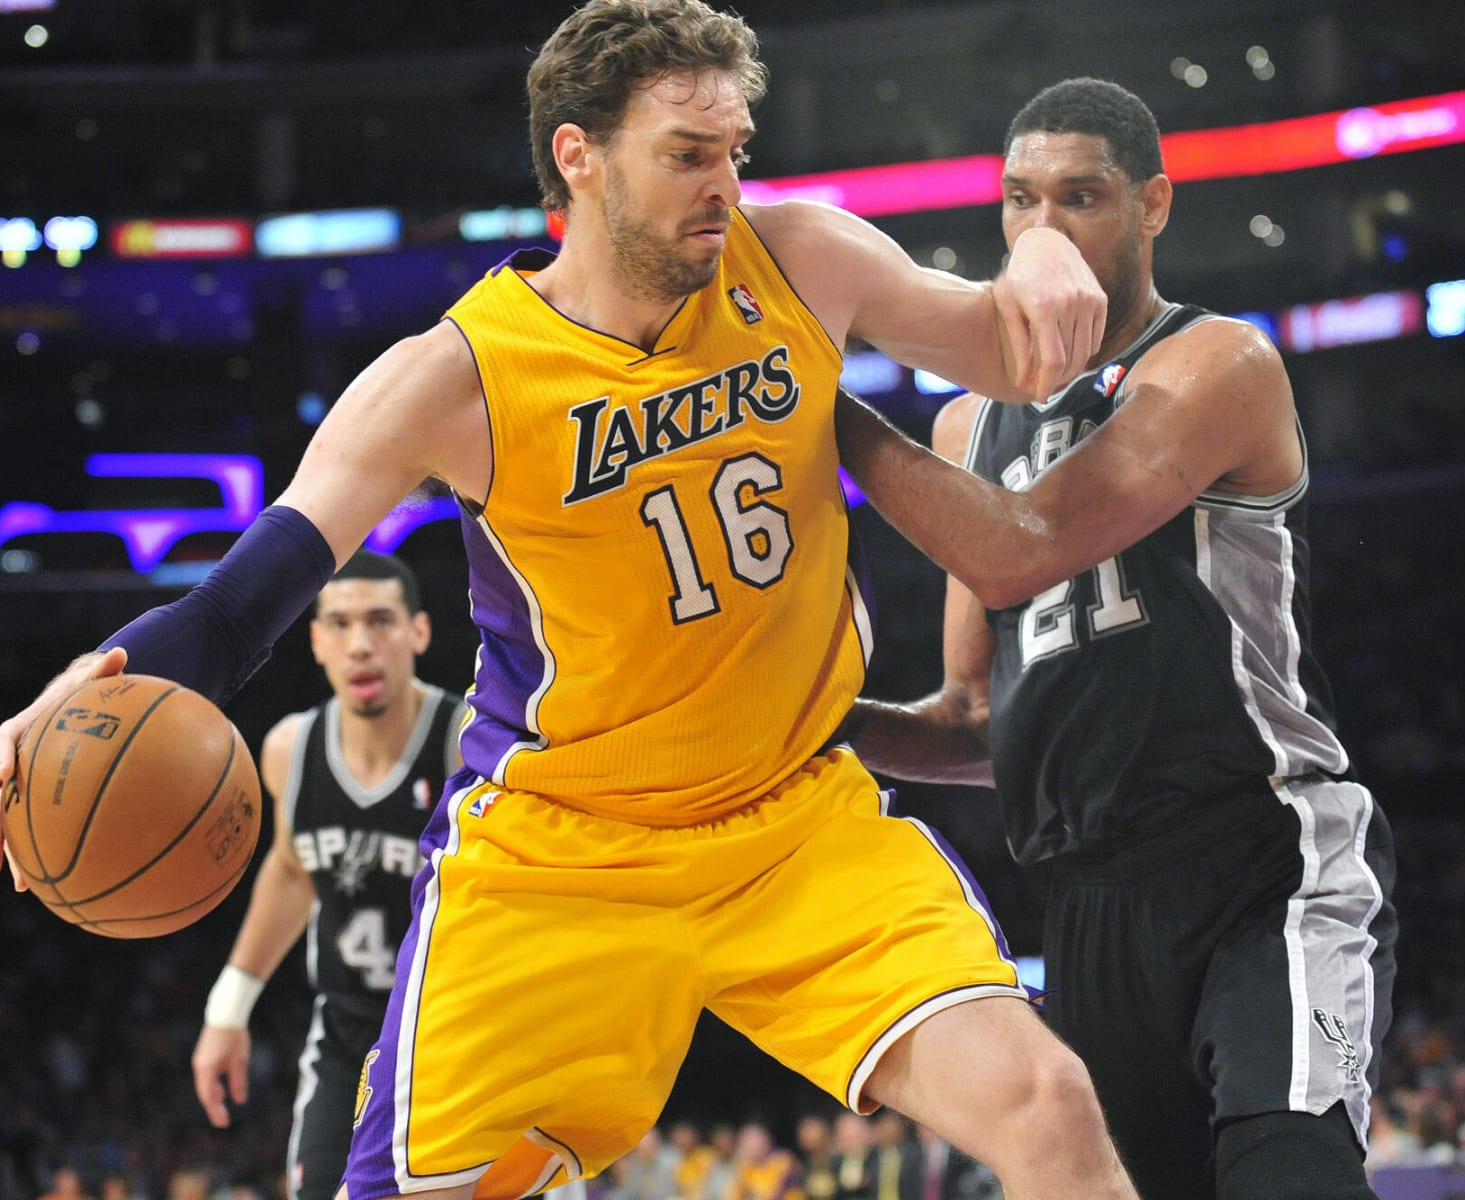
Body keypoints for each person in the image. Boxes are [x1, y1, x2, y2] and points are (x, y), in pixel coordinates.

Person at [0, 4, 1136, 1200]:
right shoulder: (453, 377)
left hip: (796, 821)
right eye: (686, 156)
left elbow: (1021, 355)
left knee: (1052, 1109)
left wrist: (1048, 244)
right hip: (561, 855)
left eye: (735, 151)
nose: (724, 185)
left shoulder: (802, 255)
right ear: (578, 158)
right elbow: (243, 603)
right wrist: (93, 684)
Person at [835, 77, 1398, 1200]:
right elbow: (974, 722)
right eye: (1019, 199)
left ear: (1151, 206)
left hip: (1261, 856)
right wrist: (810, 725)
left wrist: (825, 412)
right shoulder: (965, 424)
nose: (1043, 227)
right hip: (1085, 897)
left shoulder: (1214, 363)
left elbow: (1018, 547)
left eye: (1081, 196)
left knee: (1290, 1174)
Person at [188, 551, 467, 1200]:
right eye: (339, 625)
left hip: (462, 1029)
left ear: (418, 633)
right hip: (350, 1034)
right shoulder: (289, 749)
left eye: (380, 622)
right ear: (315, 641)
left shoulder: (467, 744)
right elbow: (291, 871)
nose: (361, 645)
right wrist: (227, 1011)